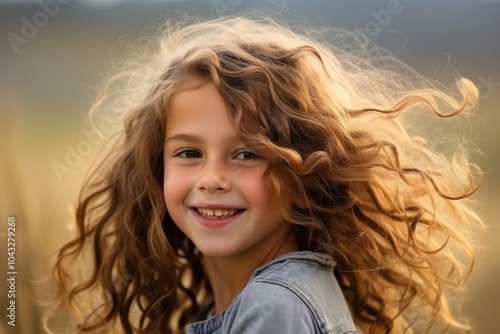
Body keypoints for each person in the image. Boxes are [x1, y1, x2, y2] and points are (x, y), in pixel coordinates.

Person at [45, 14, 483, 334]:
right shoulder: (238, 305)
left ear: (305, 170)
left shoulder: (275, 308)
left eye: (248, 154)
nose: (212, 178)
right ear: (153, 167)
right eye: (190, 152)